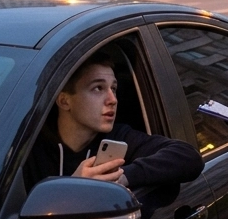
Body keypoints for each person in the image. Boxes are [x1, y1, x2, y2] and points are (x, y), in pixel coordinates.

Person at [22, 49, 202, 191]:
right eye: (98, 88)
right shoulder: (29, 148)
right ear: (64, 100)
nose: (113, 99)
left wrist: (121, 176)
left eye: (114, 89)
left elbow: (189, 156)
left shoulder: (118, 138)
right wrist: (72, 187)